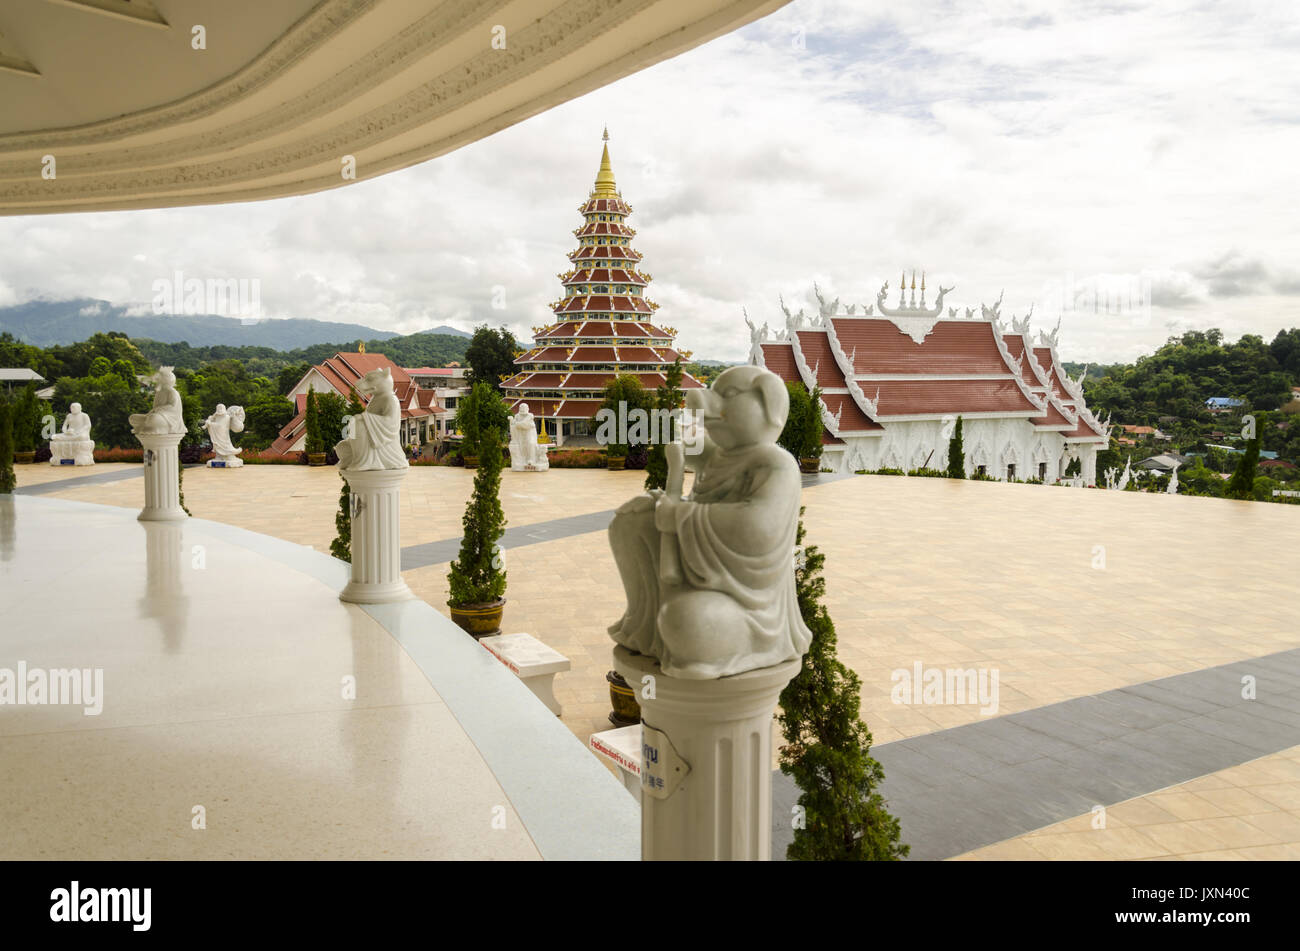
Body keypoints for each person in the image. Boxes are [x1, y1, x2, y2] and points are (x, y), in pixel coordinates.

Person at [607, 365, 811, 679]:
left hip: (749, 603)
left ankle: (723, 641)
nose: (712, 402)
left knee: (689, 623)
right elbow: (692, 446)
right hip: (702, 576)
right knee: (630, 522)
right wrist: (684, 442)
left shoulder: (774, 463)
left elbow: (757, 528)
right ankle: (645, 624)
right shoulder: (721, 453)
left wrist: (679, 515)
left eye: (727, 395)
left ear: (767, 405)